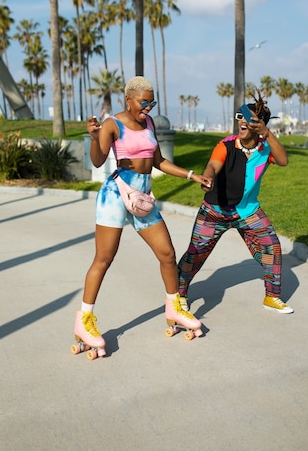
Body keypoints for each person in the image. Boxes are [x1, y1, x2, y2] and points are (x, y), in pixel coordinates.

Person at [73, 76, 212, 355]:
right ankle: (84, 320)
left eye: (152, 103)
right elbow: (99, 160)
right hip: (116, 195)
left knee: (167, 254)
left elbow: (158, 161)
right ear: (129, 99)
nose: (147, 108)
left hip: (144, 198)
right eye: (143, 102)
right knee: (104, 258)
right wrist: (93, 137)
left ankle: (174, 307)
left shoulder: (148, 124)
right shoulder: (112, 124)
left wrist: (191, 175)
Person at [178, 90, 294, 315]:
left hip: (247, 210)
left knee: (272, 247)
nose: (241, 122)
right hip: (214, 210)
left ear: (259, 125)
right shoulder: (227, 145)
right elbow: (213, 164)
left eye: (247, 119)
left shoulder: (265, 149)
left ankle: (272, 296)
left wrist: (267, 134)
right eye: (239, 117)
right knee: (196, 253)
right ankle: (179, 295)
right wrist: (208, 176)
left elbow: (283, 160)